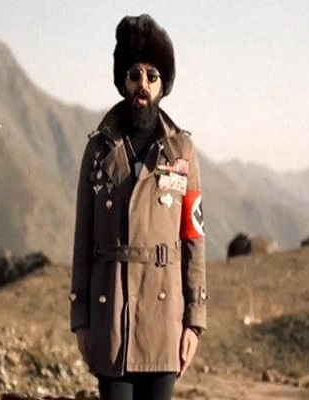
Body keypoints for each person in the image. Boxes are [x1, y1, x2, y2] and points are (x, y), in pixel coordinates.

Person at [70, 14, 207, 400]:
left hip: (164, 323)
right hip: (110, 319)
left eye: (152, 75)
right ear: (122, 81)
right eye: (134, 75)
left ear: (164, 84)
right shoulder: (98, 150)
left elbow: (194, 240)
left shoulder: (182, 152)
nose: (142, 84)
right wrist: (81, 319)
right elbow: (82, 241)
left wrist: (194, 322)